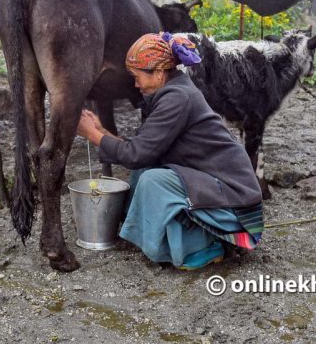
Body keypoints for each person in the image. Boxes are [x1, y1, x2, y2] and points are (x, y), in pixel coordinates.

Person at [76, 32, 264, 270]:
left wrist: (93, 134)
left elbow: (134, 155)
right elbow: (141, 150)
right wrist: (101, 130)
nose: (135, 85)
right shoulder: (173, 92)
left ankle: (204, 246)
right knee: (145, 168)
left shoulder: (177, 99)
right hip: (215, 180)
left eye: (137, 77)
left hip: (234, 196)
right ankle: (144, 230)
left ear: (159, 72)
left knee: (154, 180)